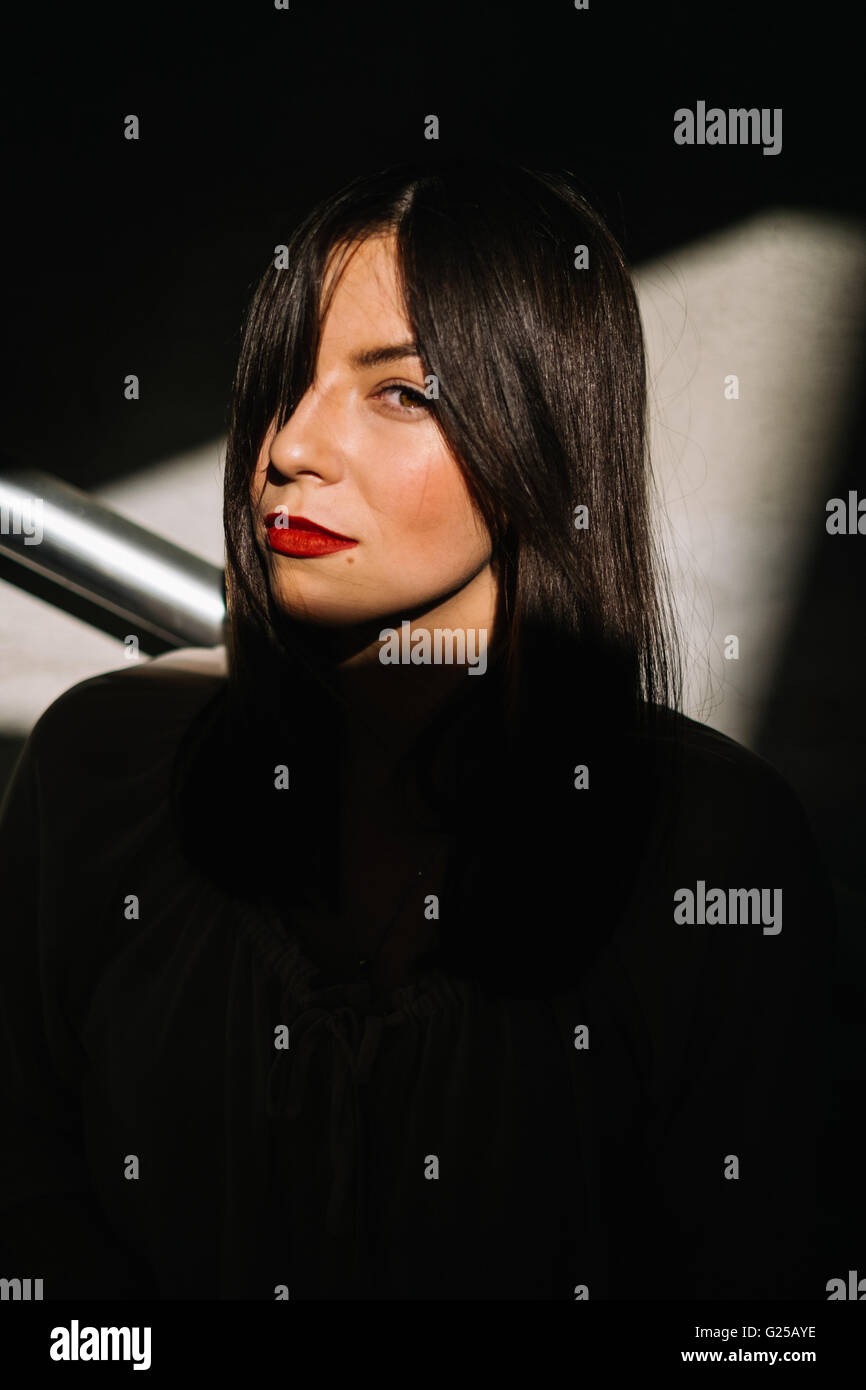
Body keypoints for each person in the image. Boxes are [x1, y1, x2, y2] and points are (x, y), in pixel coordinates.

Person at [0, 158, 836, 1301]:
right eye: (281, 383)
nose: (291, 445)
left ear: (539, 430)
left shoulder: (712, 848)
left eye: (400, 391)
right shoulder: (102, 770)